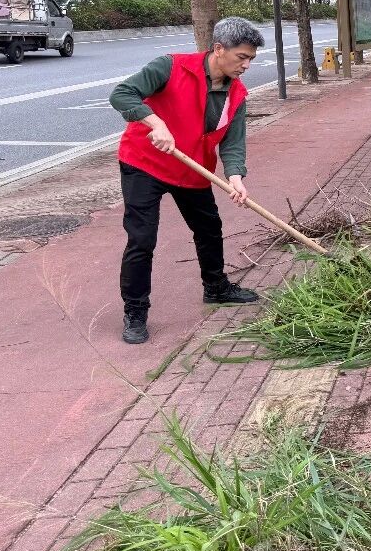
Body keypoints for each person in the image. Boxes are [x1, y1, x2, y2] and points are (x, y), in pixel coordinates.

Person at [109, 17, 264, 345]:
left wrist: (236, 177)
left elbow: (233, 143)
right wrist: (156, 123)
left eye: (251, 58)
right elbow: (122, 94)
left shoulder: (237, 94)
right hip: (145, 162)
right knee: (142, 238)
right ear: (219, 49)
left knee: (209, 228)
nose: (247, 65)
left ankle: (216, 288)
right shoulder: (170, 67)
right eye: (242, 57)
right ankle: (135, 311)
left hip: (192, 168)